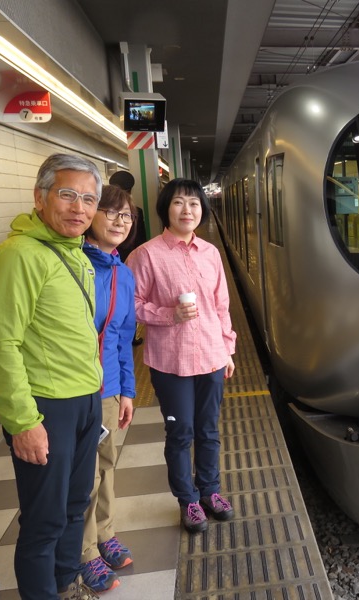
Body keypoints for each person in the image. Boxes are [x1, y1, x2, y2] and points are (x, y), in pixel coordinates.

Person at [0, 153, 103, 600]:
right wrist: (23, 421)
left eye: (89, 199)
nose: (80, 208)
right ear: (40, 196)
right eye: (67, 194)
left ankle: (66, 585)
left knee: (74, 508)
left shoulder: (75, 254)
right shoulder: (17, 256)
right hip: (46, 408)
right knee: (44, 519)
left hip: (85, 400)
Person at [126, 178, 237, 533]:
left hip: (212, 356)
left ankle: (210, 491)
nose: (187, 210)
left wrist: (228, 349)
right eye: (178, 203)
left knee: (208, 429)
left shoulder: (211, 253)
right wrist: (168, 314)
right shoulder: (145, 255)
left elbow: (221, 305)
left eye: (193, 203)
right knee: (181, 433)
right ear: (165, 209)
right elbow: (133, 305)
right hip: (170, 362)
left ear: (202, 210)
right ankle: (187, 500)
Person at [79, 185, 137, 592]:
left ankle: (105, 534)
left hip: (112, 388)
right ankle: (84, 553)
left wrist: (129, 392)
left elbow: (123, 336)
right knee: (85, 477)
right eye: (111, 212)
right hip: (78, 391)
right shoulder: (75, 263)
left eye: (126, 216)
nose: (119, 221)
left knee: (107, 468)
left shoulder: (123, 272)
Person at [109, 170, 146, 346]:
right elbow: (141, 241)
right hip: (129, 265)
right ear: (131, 190)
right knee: (129, 300)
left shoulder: (100, 211)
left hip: (108, 262)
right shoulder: (136, 211)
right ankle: (130, 336)